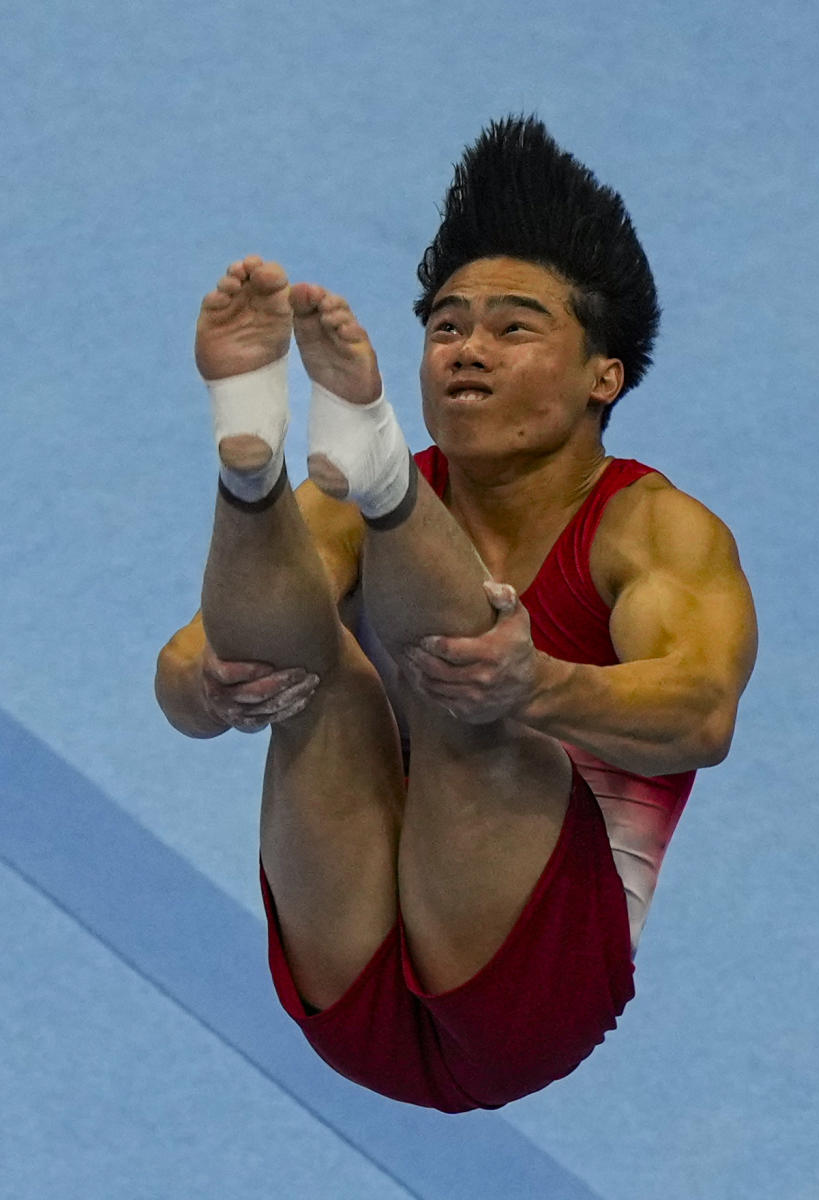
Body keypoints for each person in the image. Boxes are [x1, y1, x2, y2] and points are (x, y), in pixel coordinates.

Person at [155, 116, 757, 1113]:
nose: (467, 350)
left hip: (531, 997)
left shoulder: (653, 530)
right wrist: (212, 685)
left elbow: (702, 717)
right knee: (319, 671)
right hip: (346, 972)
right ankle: (245, 461)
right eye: (446, 326)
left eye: (515, 327)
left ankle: (390, 488)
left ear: (604, 374)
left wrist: (543, 684)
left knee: (470, 695)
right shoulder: (334, 507)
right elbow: (179, 683)